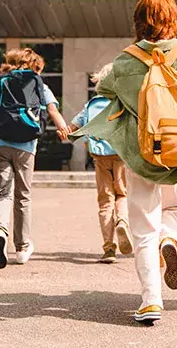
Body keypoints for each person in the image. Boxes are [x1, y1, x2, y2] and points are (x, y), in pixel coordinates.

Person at [71, 0, 177, 325]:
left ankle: (151, 300)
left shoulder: (126, 61)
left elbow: (104, 92)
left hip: (140, 151)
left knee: (143, 226)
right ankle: (170, 240)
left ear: (138, 21)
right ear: (173, 19)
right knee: (171, 208)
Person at [0, 48, 69, 269]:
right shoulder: (41, 86)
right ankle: (21, 248)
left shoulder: (3, 84)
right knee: (23, 196)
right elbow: (53, 112)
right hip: (25, 147)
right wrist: (64, 130)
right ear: (36, 67)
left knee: (2, 193)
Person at [61, 63, 132, 264]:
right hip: (121, 155)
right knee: (122, 194)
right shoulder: (123, 102)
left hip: (100, 158)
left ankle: (109, 248)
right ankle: (123, 222)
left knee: (105, 200)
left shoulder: (91, 105)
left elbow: (72, 128)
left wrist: (64, 131)